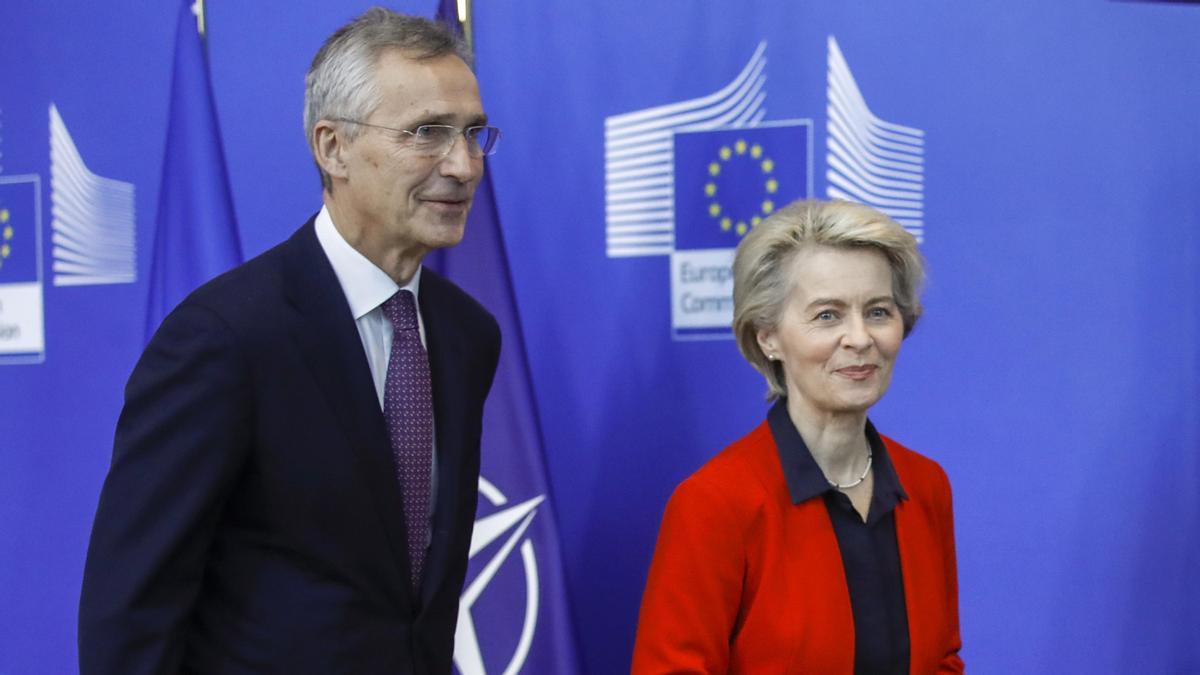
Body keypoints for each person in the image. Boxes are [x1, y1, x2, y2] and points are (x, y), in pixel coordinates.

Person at [78, 9, 501, 674]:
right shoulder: (224, 338)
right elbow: (131, 611)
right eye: (428, 133)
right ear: (331, 147)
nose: (464, 165)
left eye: (474, 134)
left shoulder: (467, 334)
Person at [632, 199, 963, 674]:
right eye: (827, 315)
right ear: (768, 336)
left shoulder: (926, 485)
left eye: (878, 311)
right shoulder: (715, 503)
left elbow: (942, 662)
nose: (859, 338)